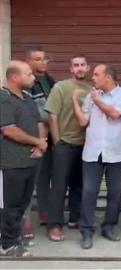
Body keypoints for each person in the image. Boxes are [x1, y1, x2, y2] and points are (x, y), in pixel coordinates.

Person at [71, 64, 121, 249]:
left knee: (114, 192)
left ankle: (109, 227)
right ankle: (87, 231)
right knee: (89, 192)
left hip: (117, 151)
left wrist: (97, 101)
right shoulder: (91, 95)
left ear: (108, 77)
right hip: (92, 152)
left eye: (97, 74)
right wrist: (75, 100)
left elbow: (114, 114)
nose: (93, 77)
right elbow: (83, 121)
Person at [0, 61, 47, 256]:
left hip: (31, 160)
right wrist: (37, 141)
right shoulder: (3, 99)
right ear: (14, 77)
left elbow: (39, 122)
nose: (33, 77)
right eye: (29, 74)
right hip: (12, 162)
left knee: (23, 203)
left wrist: (41, 145)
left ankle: (15, 238)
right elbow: (9, 130)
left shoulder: (27, 98)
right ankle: (7, 244)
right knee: (11, 205)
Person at [45, 54, 91, 241]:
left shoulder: (91, 89)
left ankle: (74, 219)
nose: (79, 68)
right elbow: (52, 115)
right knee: (58, 186)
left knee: (78, 185)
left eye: (82, 65)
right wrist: (57, 141)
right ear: (70, 69)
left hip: (85, 145)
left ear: (87, 68)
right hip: (64, 144)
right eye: (76, 65)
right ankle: (54, 225)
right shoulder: (61, 87)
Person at [22, 45, 55, 238]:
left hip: (48, 137)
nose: (43, 62)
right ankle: (25, 220)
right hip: (31, 138)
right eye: (38, 59)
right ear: (28, 61)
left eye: (45, 58)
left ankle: (44, 212)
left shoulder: (48, 80)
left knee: (44, 178)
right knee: (27, 181)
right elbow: (38, 114)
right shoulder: (25, 83)